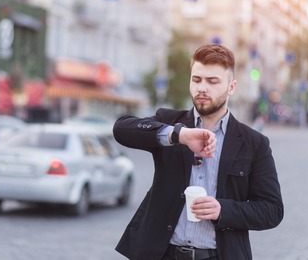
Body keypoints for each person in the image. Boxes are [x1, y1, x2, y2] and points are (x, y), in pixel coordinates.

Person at [113, 43, 283, 260]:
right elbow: (122, 129)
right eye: (196, 79)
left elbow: (272, 210)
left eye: (212, 81)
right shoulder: (170, 122)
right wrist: (179, 135)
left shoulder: (254, 143)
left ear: (231, 87)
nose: (202, 88)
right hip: (162, 254)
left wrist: (222, 209)